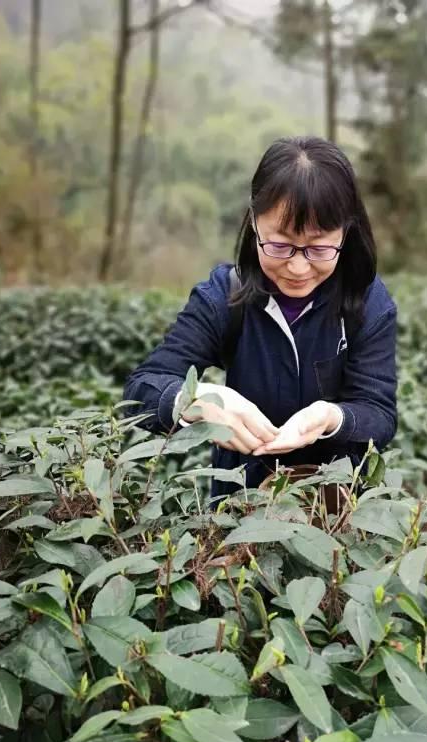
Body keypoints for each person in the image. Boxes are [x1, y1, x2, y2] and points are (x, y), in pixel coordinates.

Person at [123, 135, 398, 500]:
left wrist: (332, 418)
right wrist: (193, 399)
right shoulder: (224, 296)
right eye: (280, 245)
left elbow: (378, 413)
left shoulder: (366, 301)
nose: (298, 267)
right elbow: (142, 389)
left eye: (318, 248)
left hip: (334, 507)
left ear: (346, 232)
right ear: (254, 223)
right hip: (238, 503)